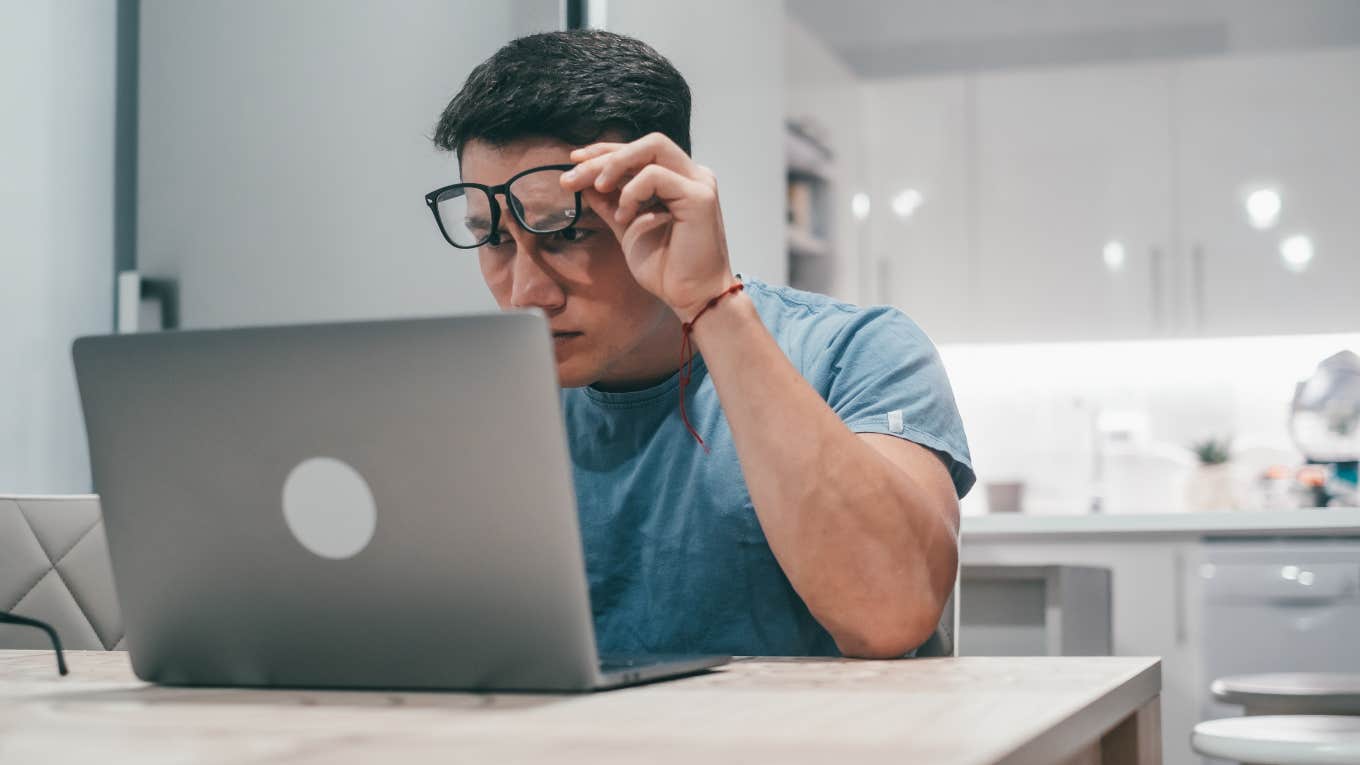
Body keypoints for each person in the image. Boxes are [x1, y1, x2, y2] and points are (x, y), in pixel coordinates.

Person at [428, 29, 974, 658]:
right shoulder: (484, 406)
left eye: (569, 234)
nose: (526, 292)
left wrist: (710, 299)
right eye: (494, 240)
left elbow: (890, 616)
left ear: (659, 203)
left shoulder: (855, 351)